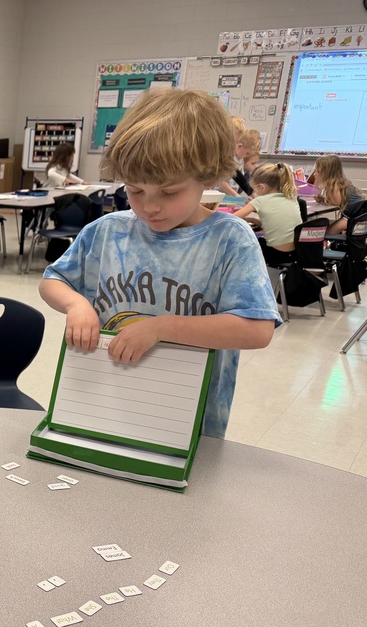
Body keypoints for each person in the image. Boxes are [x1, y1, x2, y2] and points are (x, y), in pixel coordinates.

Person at [38, 88, 280, 439]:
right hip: (106, 404)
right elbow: (52, 281)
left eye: (169, 192)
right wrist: (76, 305)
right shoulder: (107, 232)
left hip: (186, 422)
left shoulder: (229, 239)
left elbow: (257, 330)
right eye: (135, 191)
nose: (150, 207)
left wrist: (160, 328)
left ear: (208, 176)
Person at [231, 162, 302, 266]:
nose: (255, 193)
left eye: (254, 189)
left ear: (262, 187)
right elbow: (276, 223)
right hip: (296, 252)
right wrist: (252, 219)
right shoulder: (291, 197)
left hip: (275, 254)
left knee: (239, 244)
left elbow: (231, 218)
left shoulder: (260, 200)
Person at [310, 154, 367, 235]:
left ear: (326, 173)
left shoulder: (334, 186)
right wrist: (322, 200)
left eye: (318, 171)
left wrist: (323, 200)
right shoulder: (340, 182)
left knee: (327, 233)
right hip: (364, 212)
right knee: (332, 231)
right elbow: (336, 202)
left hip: (359, 214)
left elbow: (336, 203)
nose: (314, 174)